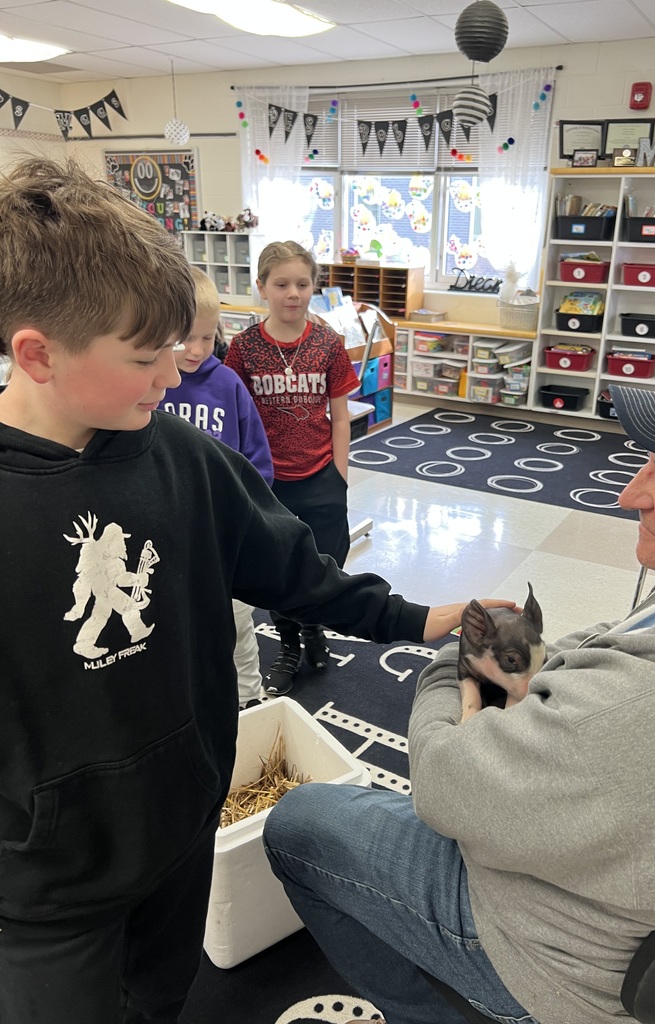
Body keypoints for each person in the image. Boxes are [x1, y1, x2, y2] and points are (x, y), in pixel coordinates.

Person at [0, 156, 515, 1024]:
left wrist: (422, 617)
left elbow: (299, 574)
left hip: (182, 824)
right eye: (143, 357)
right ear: (37, 354)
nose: (173, 378)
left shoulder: (187, 461)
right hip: (46, 887)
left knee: (161, 1000)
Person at [263, 344, 655, 1024]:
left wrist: (458, 655)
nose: (630, 494)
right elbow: (601, 662)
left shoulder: (639, 714)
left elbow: (446, 784)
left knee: (301, 823)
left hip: (557, 961)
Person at [224, 241, 360, 696]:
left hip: (321, 475)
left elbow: (341, 415)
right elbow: (235, 414)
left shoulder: (327, 344)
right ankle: (287, 642)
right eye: (281, 284)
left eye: (302, 284)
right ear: (262, 287)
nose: (293, 293)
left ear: (314, 287)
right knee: (276, 566)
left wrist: (339, 476)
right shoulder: (243, 349)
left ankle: (313, 628)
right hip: (266, 481)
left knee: (324, 562)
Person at [162, 266, 273, 708]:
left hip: (225, 535)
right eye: (185, 337)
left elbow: (257, 459)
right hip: (170, 540)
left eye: (207, 338)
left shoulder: (226, 382)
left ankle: (251, 698)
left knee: (238, 624)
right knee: (180, 628)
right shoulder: (150, 387)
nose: (196, 350)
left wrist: (248, 515)